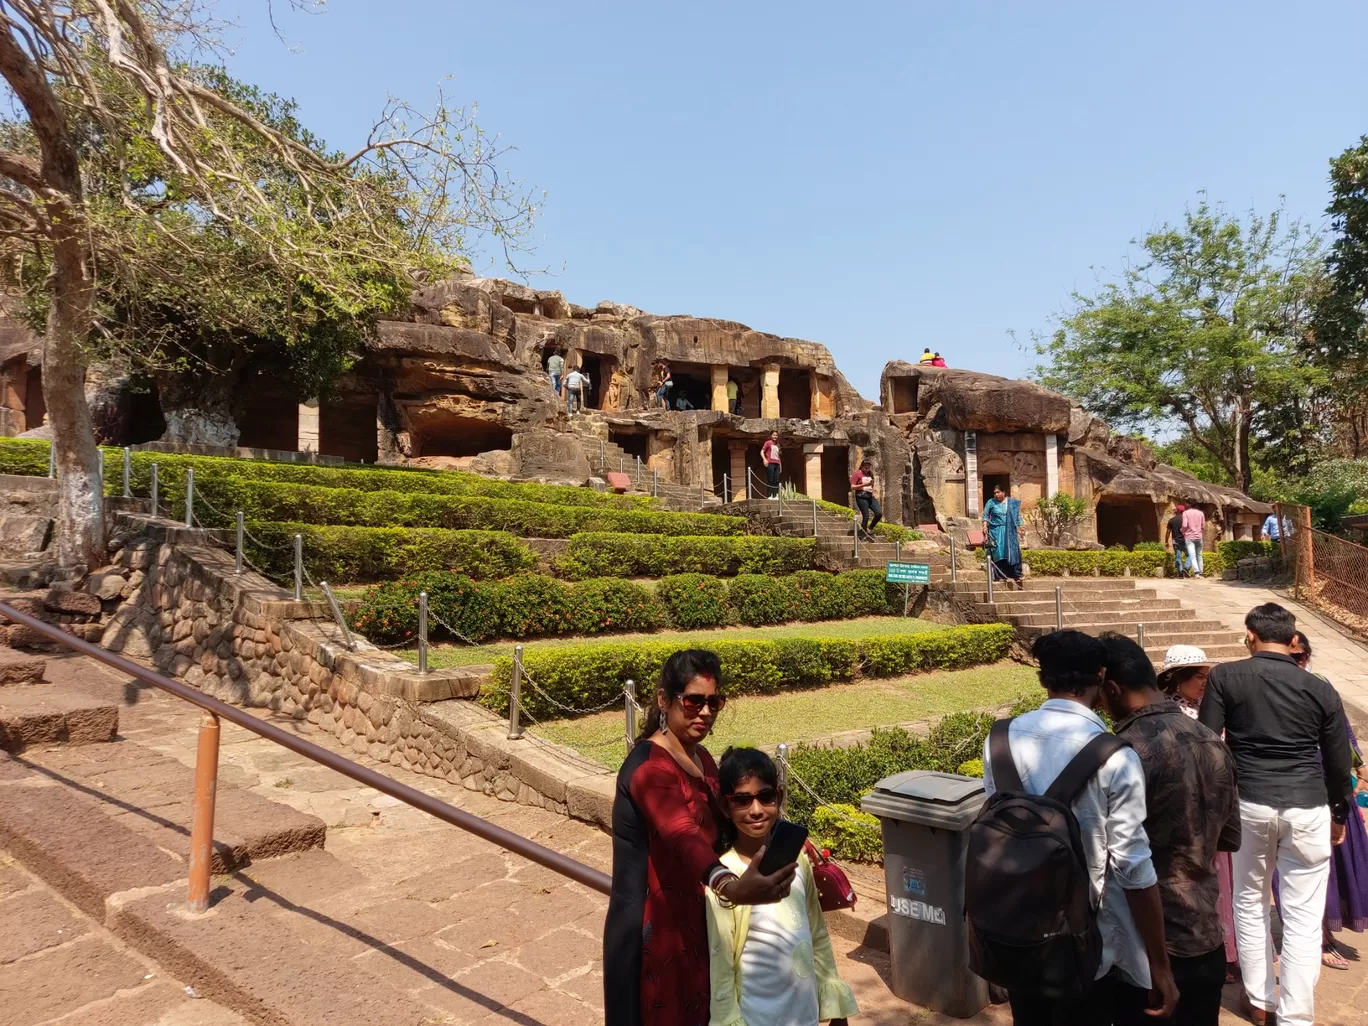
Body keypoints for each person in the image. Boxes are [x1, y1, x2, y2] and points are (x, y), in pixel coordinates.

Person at [982, 630, 1178, 1025]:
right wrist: (1159, 964)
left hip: (1017, 934)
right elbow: (1133, 868)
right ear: (1101, 677)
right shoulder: (1114, 757)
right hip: (1089, 949)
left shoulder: (998, 740)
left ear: (1043, 678)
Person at [604, 650, 797, 1026]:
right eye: (693, 701)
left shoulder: (703, 759)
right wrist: (730, 886)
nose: (705, 712)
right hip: (652, 934)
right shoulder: (649, 768)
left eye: (714, 702)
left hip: (699, 922)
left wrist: (785, 844)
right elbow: (682, 833)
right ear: (664, 700)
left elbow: (728, 820)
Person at [1198, 603, 1354, 1026]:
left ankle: (1261, 1001)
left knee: (1249, 902)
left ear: (1250, 635)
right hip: (1308, 806)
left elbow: (1210, 745)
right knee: (1302, 913)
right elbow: (1339, 763)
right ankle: (1296, 1016)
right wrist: (1339, 813)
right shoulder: (1320, 689)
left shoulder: (1225, 676)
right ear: (1292, 640)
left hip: (1248, 803)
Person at [1098, 633, 1240, 1026]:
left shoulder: (1118, 752)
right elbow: (1228, 838)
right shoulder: (1214, 742)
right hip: (1204, 935)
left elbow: (1113, 858)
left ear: (1111, 688)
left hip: (1144, 948)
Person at [705, 747, 859, 1026]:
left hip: (804, 1014)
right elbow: (721, 963)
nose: (756, 810)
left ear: (779, 796)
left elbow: (817, 931)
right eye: (742, 800)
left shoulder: (797, 859)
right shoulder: (725, 880)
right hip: (757, 1018)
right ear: (725, 807)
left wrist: (835, 1005)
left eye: (765, 797)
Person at [1157, 645, 1239, 980]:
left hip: (1218, 806)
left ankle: (1230, 949)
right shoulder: (1171, 716)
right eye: (1196, 677)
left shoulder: (1210, 709)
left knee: (1225, 881)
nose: (1203, 683)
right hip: (1191, 811)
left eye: (1206, 677)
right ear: (1176, 680)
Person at [1289, 631, 1368, 971]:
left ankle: (1327, 931)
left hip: (1334, 786)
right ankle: (1318, 937)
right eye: (1291, 656)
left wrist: (1360, 766)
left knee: (1337, 859)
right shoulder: (1270, 688)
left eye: (1301, 655)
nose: (1297, 662)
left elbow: (1343, 731)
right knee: (1310, 864)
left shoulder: (1321, 683)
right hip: (1299, 789)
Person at [981, 484, 1024, 589]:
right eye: (995, 493)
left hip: (1010, 531)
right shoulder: (991, 502)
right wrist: (985, 526)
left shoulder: (1011, 503)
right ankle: (1000, 575)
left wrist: (1021, 528)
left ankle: (1016, 574)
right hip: (995, 531)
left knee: (1013, 550)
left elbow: (1017, 516)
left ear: (1004, 492)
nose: (996, 494)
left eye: (998, 492)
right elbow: (985, 516)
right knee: (998, 552)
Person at [850, 458, 882, 539]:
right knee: (866, 516)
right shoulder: (857, 474)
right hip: (861, 496)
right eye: (865, 468)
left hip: (870, 496)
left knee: (879, 513)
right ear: (861, 466)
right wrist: (863, 485)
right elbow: (852, 487)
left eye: (868, 468)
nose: (867, 470)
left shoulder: (870, 474)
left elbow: (872, 484)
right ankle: (863, 533)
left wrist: (871, 486)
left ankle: (870, 528)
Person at [1180, 504, 1206, 578]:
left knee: (1192, 555)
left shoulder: (1186, 513)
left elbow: (1184, 525)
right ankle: (1201, 573)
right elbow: (1203, 526)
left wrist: (1182, 530)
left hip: (1189, 537)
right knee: (1199, 555)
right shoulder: (1201, 513)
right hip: (1199, 536)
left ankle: (1196, 572)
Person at [1166, 505, 1190, 578]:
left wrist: (1166, 541)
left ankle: (1180, 573)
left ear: (1177, 511)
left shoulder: (1172, 520)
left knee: (1178, 556)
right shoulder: (1187, 520)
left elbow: (1168, 532)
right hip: (1185, 540)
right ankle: (1186, 568)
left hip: (1176, 541)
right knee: (1191, 555)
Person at [762, 431, 782, 499]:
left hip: (777, 463)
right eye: (774, 435)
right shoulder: (768, 443)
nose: (775, 436)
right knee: (770, 479)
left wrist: (780, 465)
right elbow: (762, 452)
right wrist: (764, 459)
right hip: (770, 463)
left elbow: (778, 456)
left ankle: (775, 495)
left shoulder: (778, 445)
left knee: (776, 480)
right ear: (771, 436)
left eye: (776, 435)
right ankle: (769, 495)